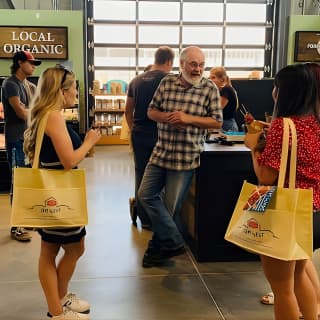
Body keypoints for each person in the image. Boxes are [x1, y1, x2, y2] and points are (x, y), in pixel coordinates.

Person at [23, 65, 101, 320]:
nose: (76, 92)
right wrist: (89, 142)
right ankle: (57, 309)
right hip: (59, 195)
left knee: (53, 249)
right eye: (74, 87)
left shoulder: (44, 113)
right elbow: (68, 160)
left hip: (50, 191)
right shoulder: (54, 117)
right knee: (72, 248)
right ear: (61, 90)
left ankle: (60, 299)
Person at [244, 63, 320, 320]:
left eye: (277, 85)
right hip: (312, 210)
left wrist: (254, 149)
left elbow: (266, 176)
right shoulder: (314, 123)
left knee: (282, 288)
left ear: (286, 91)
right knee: (298, 276)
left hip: (286, 213)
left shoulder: (283, 126)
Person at [138, 46, 223, 268]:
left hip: (185, 158)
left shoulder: (209, 88)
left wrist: (188, 118)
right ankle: (175, 241)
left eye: (202, 65)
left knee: (169, 208)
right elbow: (151, 111)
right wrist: (169, 118)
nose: (198, 69)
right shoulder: (166, 83)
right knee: (144, 195)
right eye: (193, 64)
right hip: (160, 152)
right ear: (182, 64)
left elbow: (216, 121)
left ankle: (155, 251)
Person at [125, 46, 175, 230]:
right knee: (160, 177)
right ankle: (158, 218)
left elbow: (128, 111)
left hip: (139, 134)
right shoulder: (170, 80)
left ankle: (143, 218)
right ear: (169, 61)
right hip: (161, 135)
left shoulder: (136, 80)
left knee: (140, 173)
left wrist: (133, 129)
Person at [2, 50, 41, 241]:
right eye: (31, 63)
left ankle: (25, 220)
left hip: (28, 139)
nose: (34, 66)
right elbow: (20, 112)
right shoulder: (11, 84)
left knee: (28, 181)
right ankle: (16, 226)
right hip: (16, 139)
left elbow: (35, 109)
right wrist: (36, 113)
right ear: (19, 62)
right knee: (18, 182)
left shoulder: (30, 86)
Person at [209, 66, 239, 132]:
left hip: (227, 126)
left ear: (222, 79)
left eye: (213, 77)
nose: (210, 80)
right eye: (210, 78)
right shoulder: (223, 89)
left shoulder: (226, 89)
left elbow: (218, 108)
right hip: (226, 124)